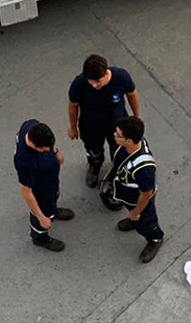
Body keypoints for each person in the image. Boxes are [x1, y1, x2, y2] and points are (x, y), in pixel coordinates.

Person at [68, 55, 140, 188]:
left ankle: (116, 171)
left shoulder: (121, 77)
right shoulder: (79, 84)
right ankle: (95, 165)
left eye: (98, 81)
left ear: (106, 72)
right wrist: (73, 128)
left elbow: (132, 94)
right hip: (90, 125)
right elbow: (73, 106)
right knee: (93, 149)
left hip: (117, 126)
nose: (94, 85)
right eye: (91, 81)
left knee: (118, 151)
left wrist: (136, 117)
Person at [104, 117, 164, 263]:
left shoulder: (145, 169)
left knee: (146, 221)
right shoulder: (126, 147)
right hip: (128, 195)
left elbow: (145, 195)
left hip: (140, 200)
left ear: (129, 140)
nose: (114, 135)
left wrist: (136, 212)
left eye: (118, 135)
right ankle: (134, 219)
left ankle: (155, 239)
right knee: (134, 213)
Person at [14, 119, 75, 252]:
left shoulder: (32, 125)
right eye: (44, 149)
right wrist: (42, 217)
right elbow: (26, 193)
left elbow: (49, 146)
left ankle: (52, 211)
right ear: (32, 144)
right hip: (40, 189)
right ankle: (39, 237)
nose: (47, 150)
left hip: (49, 179)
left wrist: (56, 152)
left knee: (53, 196)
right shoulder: (25, 163)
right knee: (42, 210)